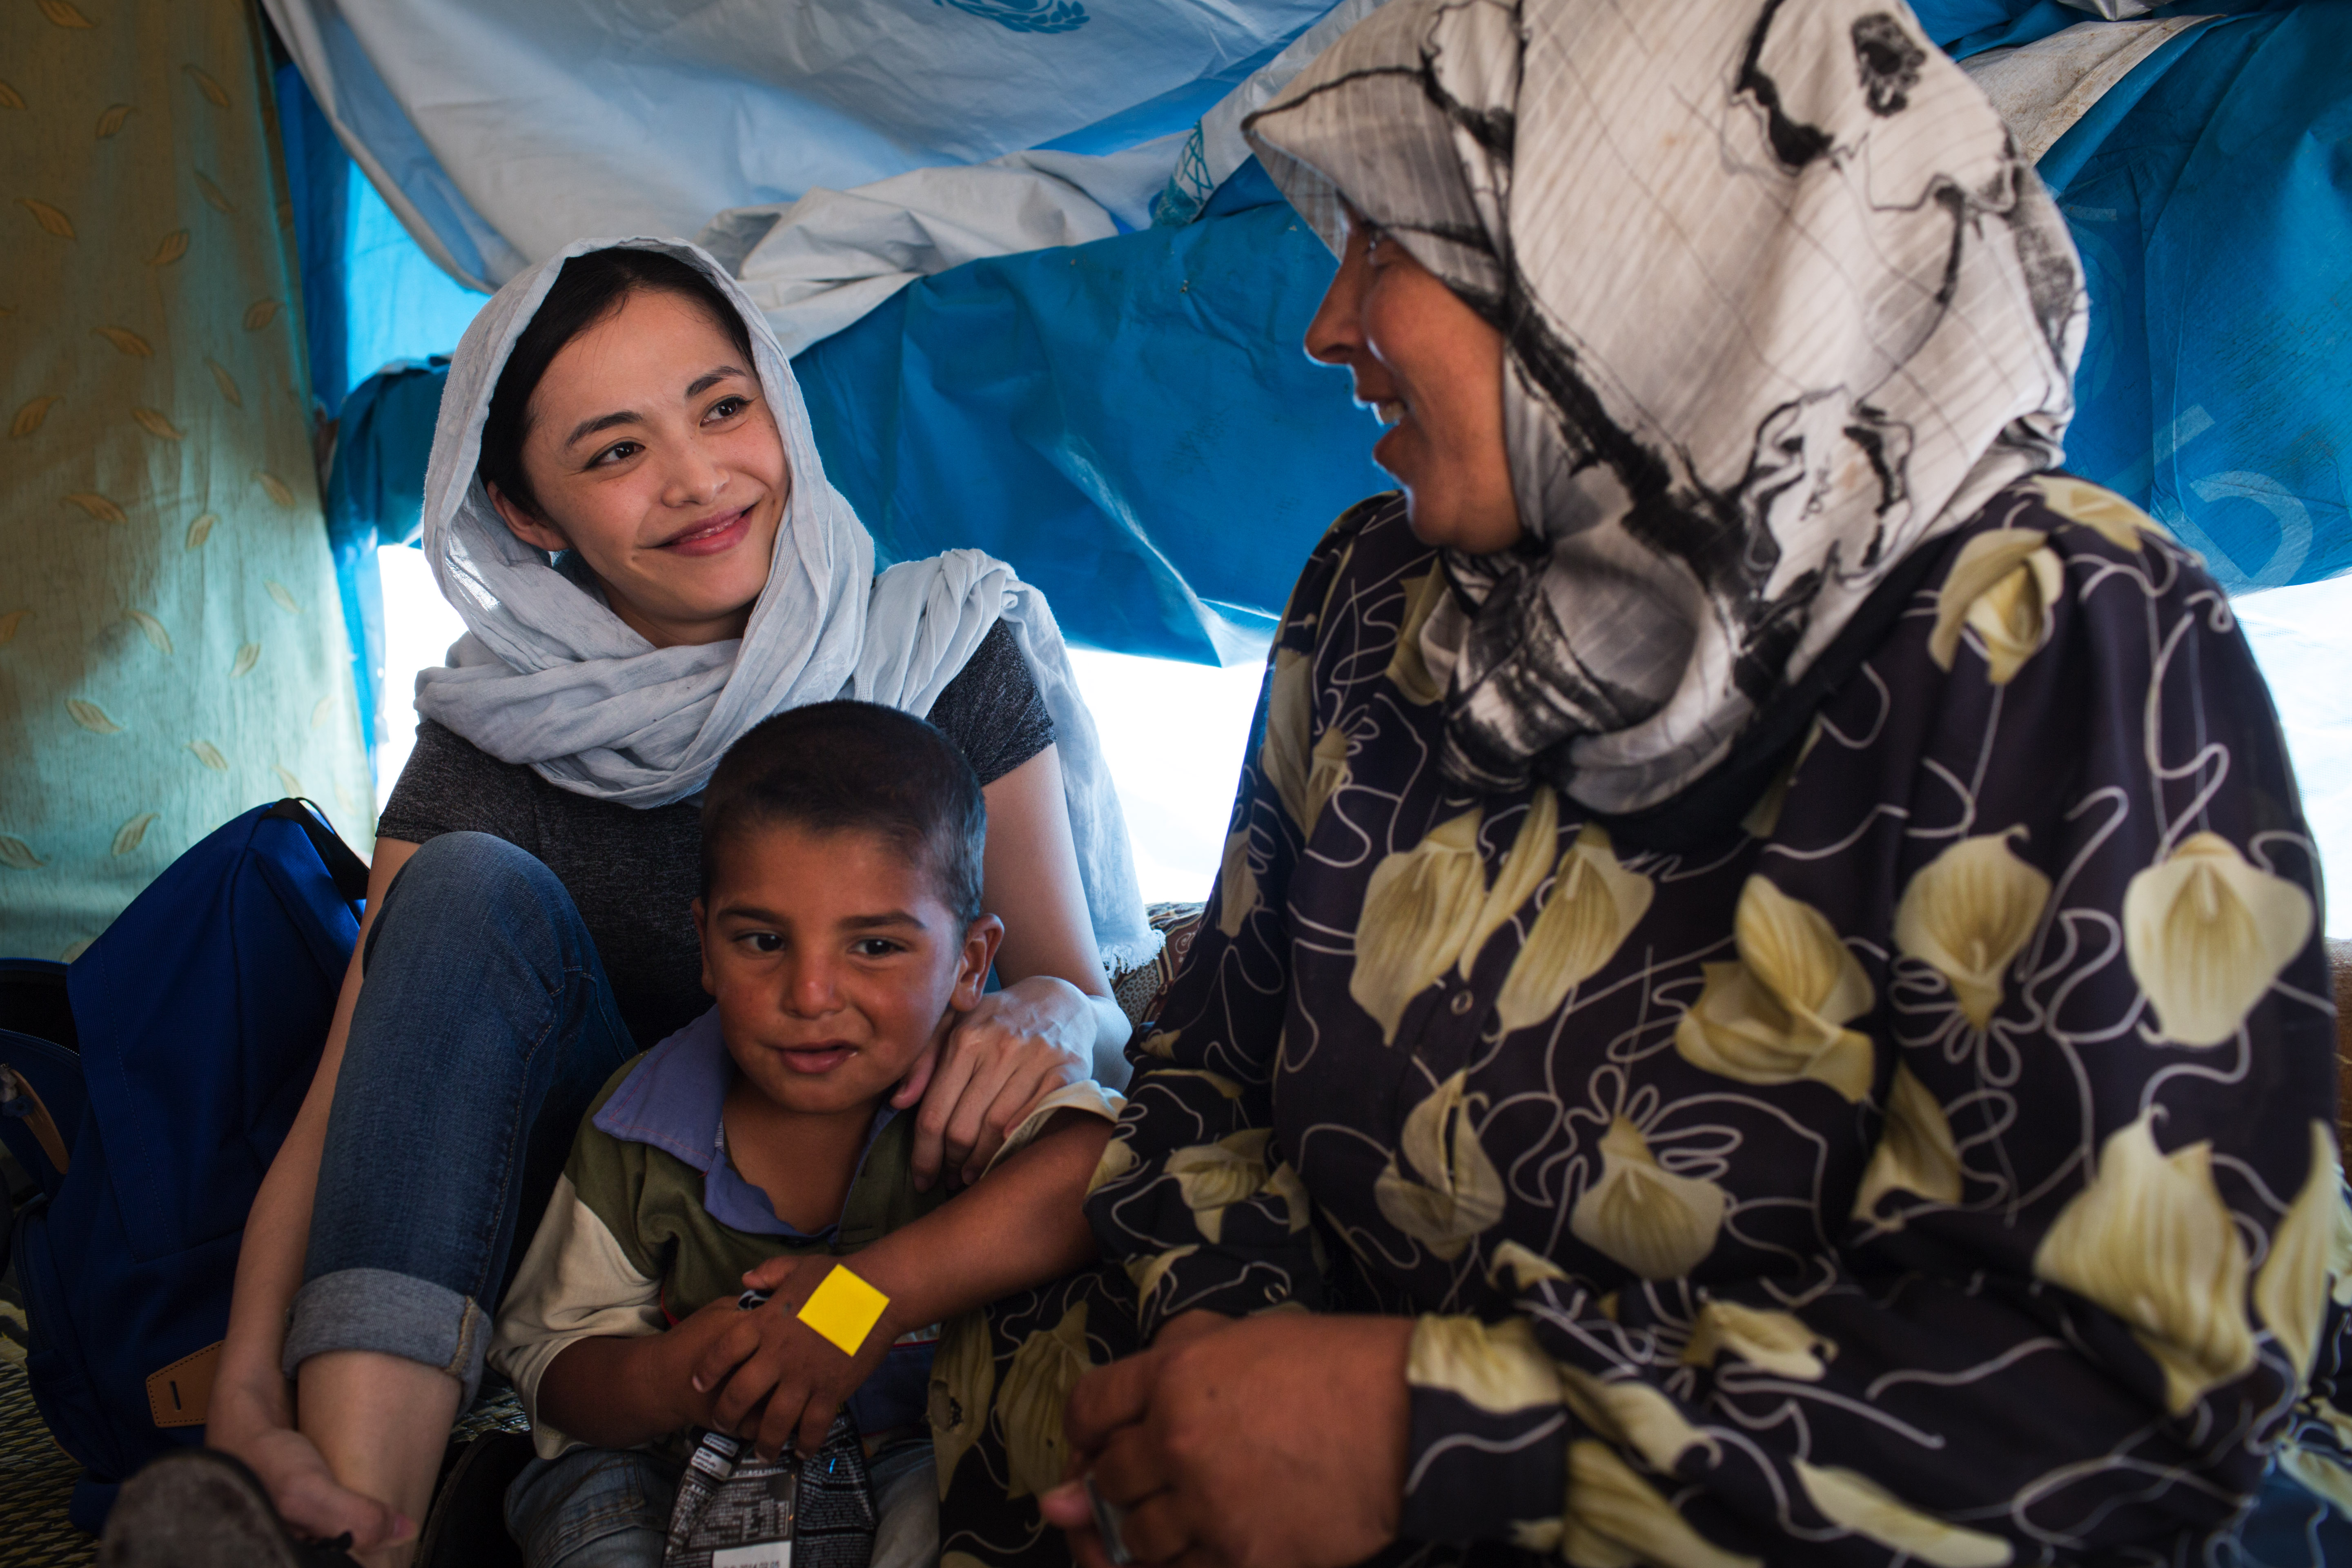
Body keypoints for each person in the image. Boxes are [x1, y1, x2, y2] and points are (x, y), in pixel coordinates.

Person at [1008, 2, 2338, 1565]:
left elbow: (2127, 1411)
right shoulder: (1374, 600)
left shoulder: (2052, 633)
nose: (1326, 323)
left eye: (1391, 247)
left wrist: (1428, 1438)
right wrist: (1223, 1411)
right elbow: (1206, 1077)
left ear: (1631, 247)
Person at [103, 241, 1154, 1568]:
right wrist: (249, 1392)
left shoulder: (938, 647)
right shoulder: (492, 740)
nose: (700, 477)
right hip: (599, 1253)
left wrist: (1038, 1016)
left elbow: (1076, 991)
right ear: (528, 511)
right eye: (614, 452)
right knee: (470, 887)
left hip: (892, 1217)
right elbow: (351, 1095)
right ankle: (356, 1520)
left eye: (724, 407)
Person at [492, 701, 1120, 1568]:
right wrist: (677, 1376)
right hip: (679, 1464)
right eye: (761, 941)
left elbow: (1096, 1176)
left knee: (968, 1511)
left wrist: (850, 1304)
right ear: (705, 948)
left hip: (917, 1450)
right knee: (584, 1510)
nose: (812, 994)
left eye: (874, 948)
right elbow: (551, 1361)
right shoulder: (642, 1126)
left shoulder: (979, 1084)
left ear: (971, 963)